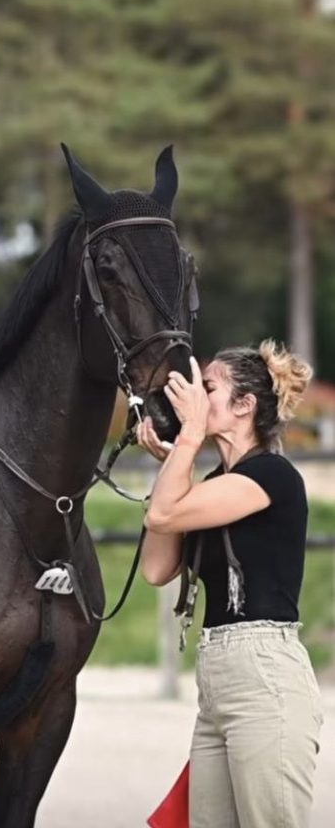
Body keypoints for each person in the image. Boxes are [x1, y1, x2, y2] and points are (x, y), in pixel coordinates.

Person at [139, 341, 323, 828]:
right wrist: (171, 465)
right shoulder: (213, 484)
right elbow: (156, 568)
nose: (195, 398)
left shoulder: (272, 475)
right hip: (217, 682)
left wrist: (187, 439)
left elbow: (162, 514)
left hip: (264, 674)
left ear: (245, 405)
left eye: (208, 388)